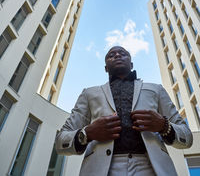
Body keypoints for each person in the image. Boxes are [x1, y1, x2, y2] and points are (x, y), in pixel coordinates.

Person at [56, 46, 193, 176]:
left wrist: (164, 125)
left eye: (123, 53)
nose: (117, 55)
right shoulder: (89, 93)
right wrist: (87, 133)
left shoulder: (156, 89)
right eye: (111, 55)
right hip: (101, 168)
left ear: (131, 64)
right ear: (105, 68)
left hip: (152, 167)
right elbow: (61, 141)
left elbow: (187, 137)